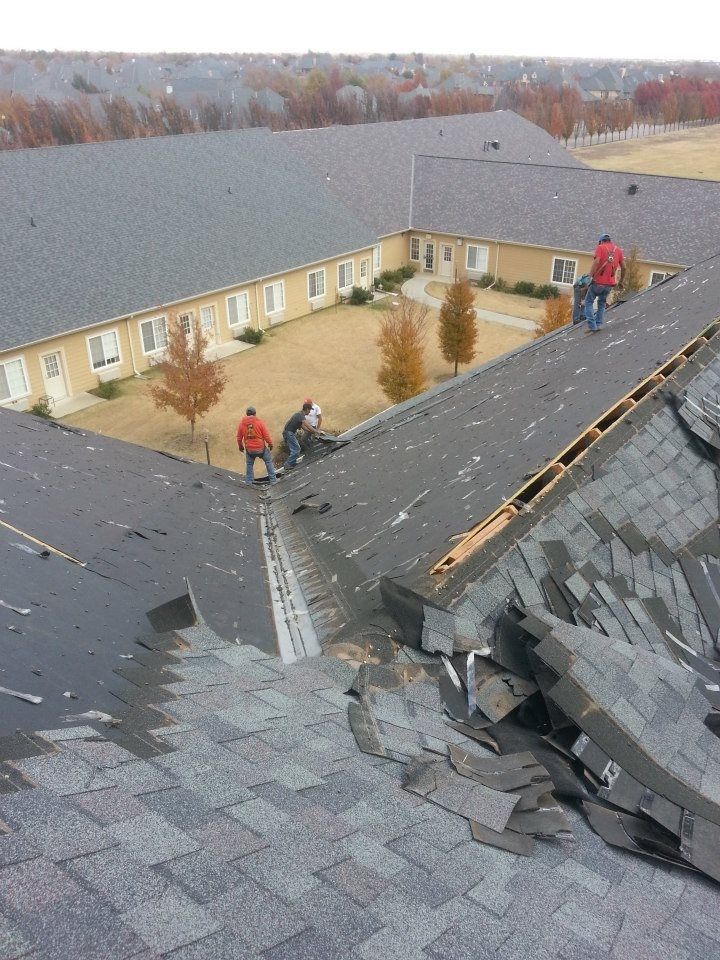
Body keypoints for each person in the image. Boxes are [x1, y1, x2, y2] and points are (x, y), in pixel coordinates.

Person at [584, 233, 625, 332]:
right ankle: (599, 325)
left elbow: (596, 262)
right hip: (609, 284)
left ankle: (592, 326)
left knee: (588, 302)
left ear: (601, 241)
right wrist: (621, 281)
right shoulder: (618, 250)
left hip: (597, 282)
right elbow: (624, 267)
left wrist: (590, 276)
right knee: (602, 303)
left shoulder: (600, 248)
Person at [236, 407, 277, 485]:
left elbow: (239, 438)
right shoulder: (259, 422)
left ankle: (249, 482)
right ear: (255, 414)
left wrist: (240, 447)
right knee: (268, 461)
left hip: (249, 450)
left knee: (249, 464)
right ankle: (273, 480)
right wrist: (270, 444)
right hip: (260, 448)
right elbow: (266, 436)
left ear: (246, 414)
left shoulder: (241, 424)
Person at [283, 402, 319, 470]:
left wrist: (312, 432)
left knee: (295, 449)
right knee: (296, 449)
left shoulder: (299, 415)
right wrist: (316, 431)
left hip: (289, 433)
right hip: (289, 433)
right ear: (307, 409)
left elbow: (304, 427)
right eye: (310, 410)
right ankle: (287, 464)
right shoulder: (300, 415)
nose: (310, 412)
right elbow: (307, 425)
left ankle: (292, 463)